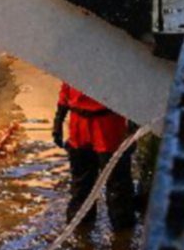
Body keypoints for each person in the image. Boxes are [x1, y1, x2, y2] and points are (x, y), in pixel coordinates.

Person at [53, 82, 136, 231]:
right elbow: (67, 84)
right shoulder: (76, 62)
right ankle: (81, 230)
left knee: (117, 184)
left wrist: (134, 120)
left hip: (108, 122)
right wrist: (59, 119)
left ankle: (123, 232)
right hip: (79, 123)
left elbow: (130, 80)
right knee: (80, 184)